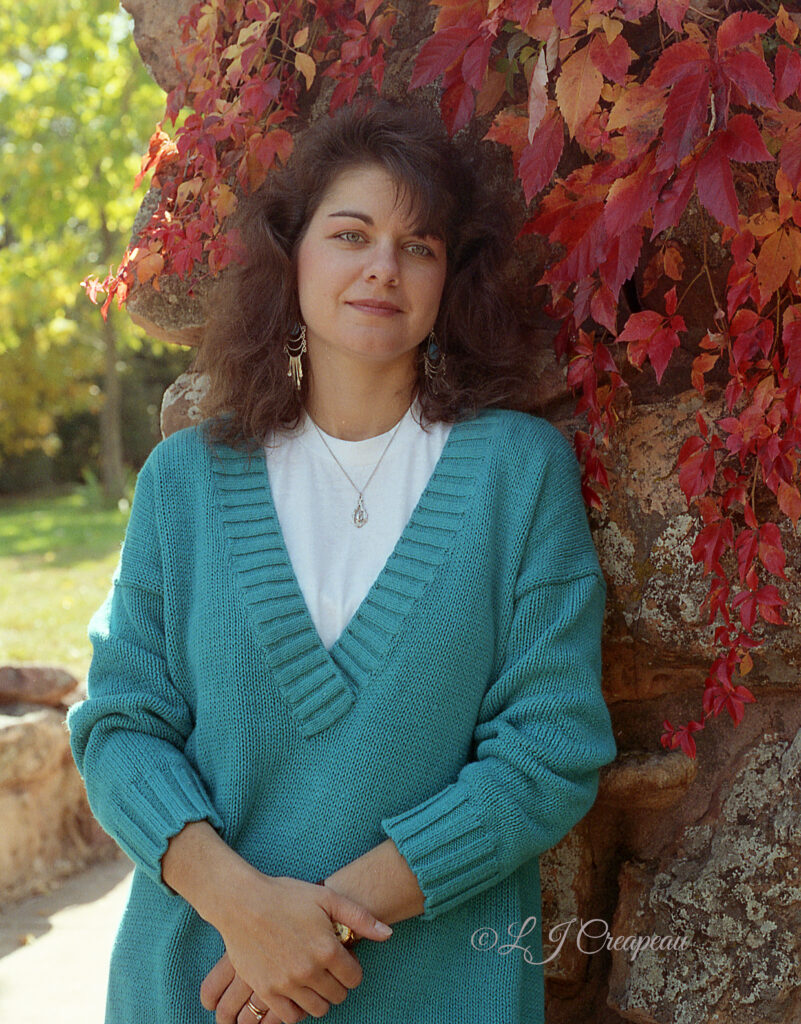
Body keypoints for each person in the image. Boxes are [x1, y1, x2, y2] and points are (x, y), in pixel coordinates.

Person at [68, 99, 617, 1024]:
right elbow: (121, 725)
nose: (381, 267)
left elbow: (549, 751)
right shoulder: (186, 483)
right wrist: (247, 911)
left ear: (449, 278)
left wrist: (316, 929)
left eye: (418, 245)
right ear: (295, 260)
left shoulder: (517, 475)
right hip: (198, 985)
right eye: (351, 233)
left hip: (438, 989)